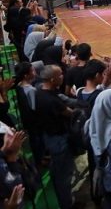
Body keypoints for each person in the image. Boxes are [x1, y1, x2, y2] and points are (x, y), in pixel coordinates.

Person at [35, 65, 74, 209]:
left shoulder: (40, 90)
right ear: (52, 79)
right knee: (64, 175)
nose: (63, 76)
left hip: (49, 135)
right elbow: (70, 113)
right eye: (60, 74)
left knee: (58, 170)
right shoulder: (52, 100)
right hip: (58, 139)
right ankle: (66, 204)